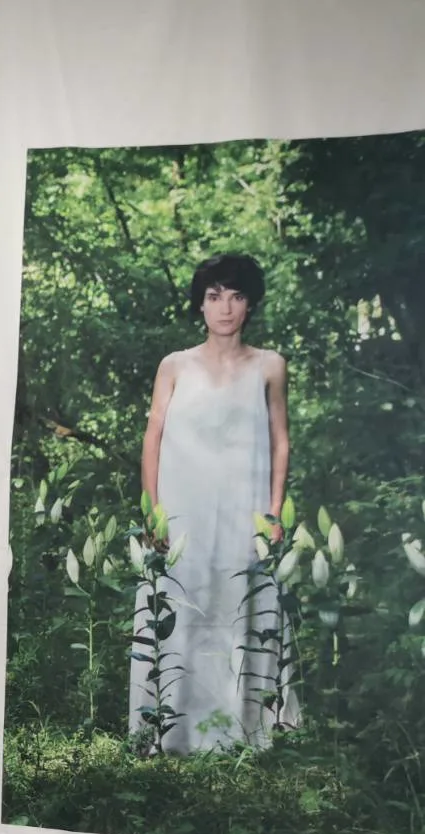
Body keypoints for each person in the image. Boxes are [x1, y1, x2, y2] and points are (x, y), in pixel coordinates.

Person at [129, 253, 300, 754]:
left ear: (250, 305)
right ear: (200, 304)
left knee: (241, 603)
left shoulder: (270, 365)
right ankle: (166, 732)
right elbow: (153, 436)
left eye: (236, 296)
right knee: (181, 605)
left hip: (245, 510)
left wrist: (274, 513)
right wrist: (153, 510)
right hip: (183, 510)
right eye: (214, 295)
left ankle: (244, 732)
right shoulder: (174, 366)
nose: (225, 307)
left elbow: (281, 441)